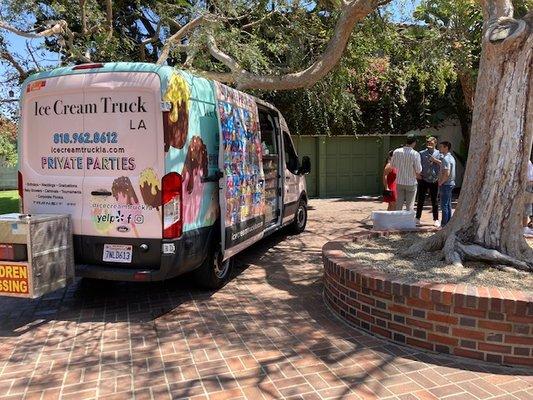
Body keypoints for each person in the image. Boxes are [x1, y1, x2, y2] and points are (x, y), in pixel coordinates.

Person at [391, 135, 422, 211]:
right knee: (410, 205)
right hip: (411, 182)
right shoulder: (415, 154)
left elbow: (392, 165)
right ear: (414, 142)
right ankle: (408, 222)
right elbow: (419, 170)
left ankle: (398, 221)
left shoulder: (396, 151)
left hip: (399, 181)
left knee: (399, 204)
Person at [416, 137, 440, 227]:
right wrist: (417, 174)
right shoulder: (421, 153)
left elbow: (443, 163)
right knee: (421, 199)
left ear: (435, 143)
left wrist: (435, 160)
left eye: (431, 142)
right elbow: (417, 164)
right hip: (424, 179)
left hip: (434, 179)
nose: (429, 144)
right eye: (428, 142)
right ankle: (417, 218)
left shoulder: (439, 153)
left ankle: (436, 219)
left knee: (435, 200)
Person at [437, 141, 456, 227]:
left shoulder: (445, 159)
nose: (439, 148)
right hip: (450, 183)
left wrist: (441, 182)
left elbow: (447, 173)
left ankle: (444, 224)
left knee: (444, 205)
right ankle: (448, 223)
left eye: (441, 147)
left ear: (446, 148)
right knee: (448, 204)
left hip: (446, 184)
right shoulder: (451, 157)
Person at [524, 158, 533, 236]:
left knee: (527, 207)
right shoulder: (527, 162)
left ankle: (525, 226)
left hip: (529, 185)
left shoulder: (529, 162)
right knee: (526, 207)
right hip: (527, 186)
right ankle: (524, 227)